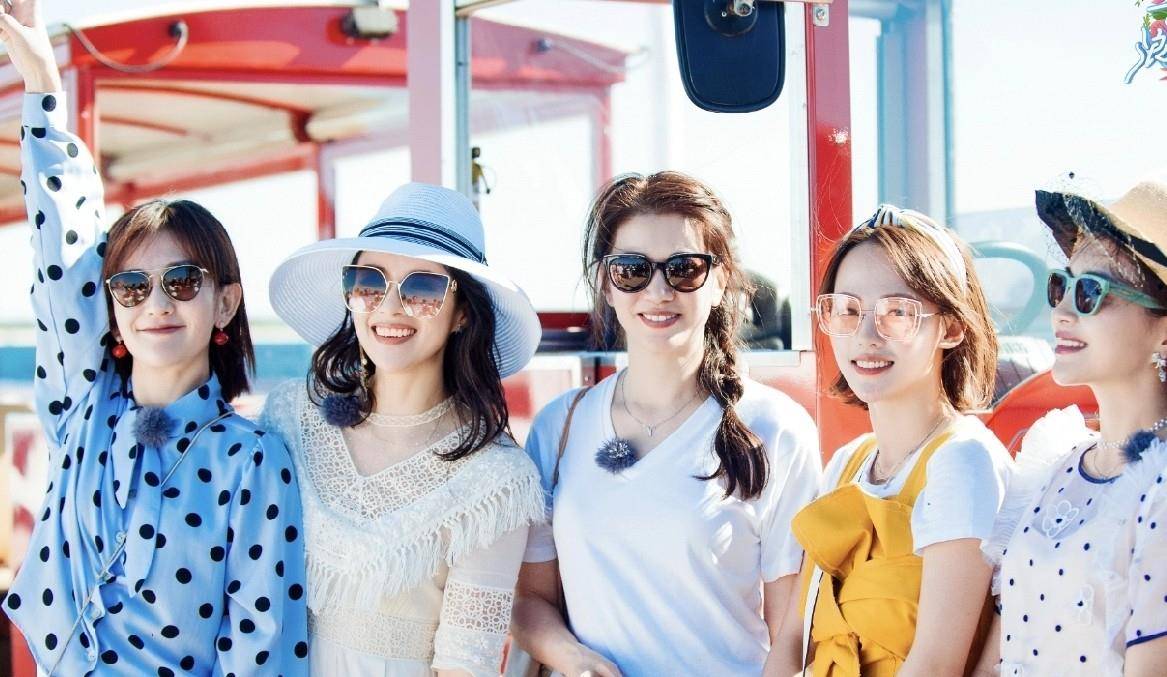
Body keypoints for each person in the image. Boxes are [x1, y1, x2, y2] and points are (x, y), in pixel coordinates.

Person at [0, 1, 308, 674]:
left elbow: (261, 647)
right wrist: (43, 88)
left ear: (225, 302)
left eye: (182, 280)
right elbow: (61, 264)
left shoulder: (252, 459)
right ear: (112, 308)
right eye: (132, 287)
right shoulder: (84, 410)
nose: (156, 303)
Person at [511, 171, 821, 676]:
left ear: (720, 281)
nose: (658, 291)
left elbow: (793, 631)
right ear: (605, 283)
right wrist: (579, 662)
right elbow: (530, 601)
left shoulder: (775, 428)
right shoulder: (559, 427)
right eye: (632, 270)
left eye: (684, 269)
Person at [261, 182, 546, 676]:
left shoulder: (496, 481)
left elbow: (464, 667)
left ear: (462, 313)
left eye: (422, 288)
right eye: (369, 282)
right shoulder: (292, 416)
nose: (390, 307)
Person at [782, 204, 1011, 677]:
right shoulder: (848, 462)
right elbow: (792, 641)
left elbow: (935, 665)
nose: (866, 335)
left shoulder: (961, 462)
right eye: (847, 310)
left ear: (952, 327)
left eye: (898, 313)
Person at [978, 181, 1167, 676]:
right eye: (1061, 285)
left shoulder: (1161, 488)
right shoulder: (1053, 462)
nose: (1061, 311)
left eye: (1091, 293)